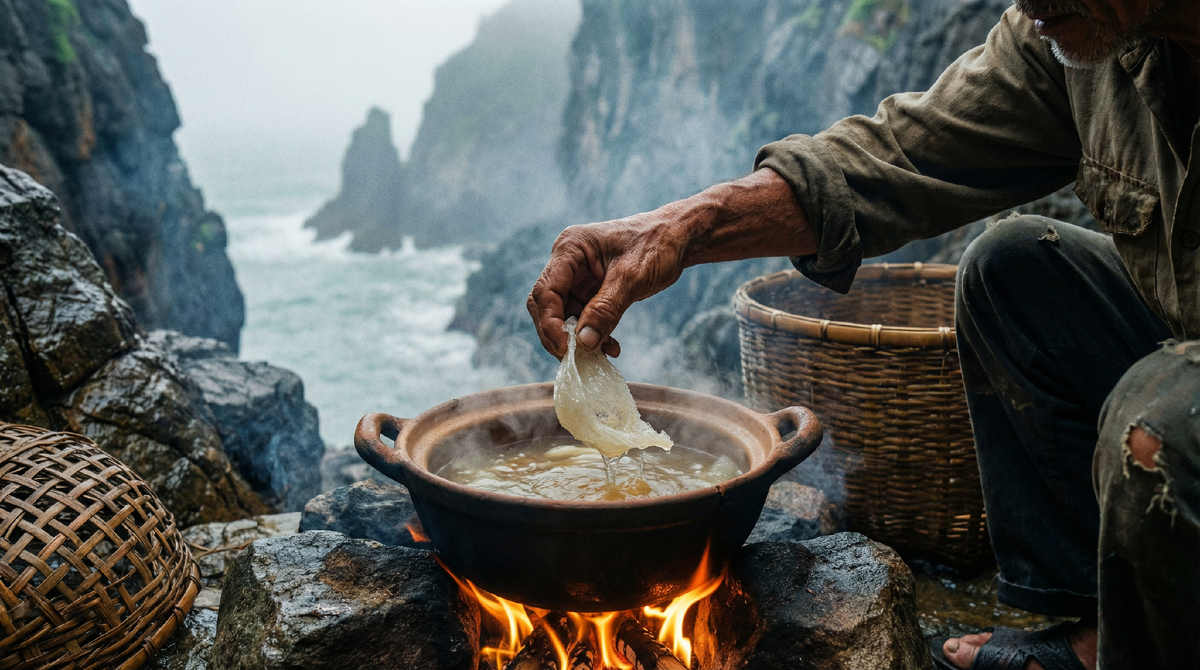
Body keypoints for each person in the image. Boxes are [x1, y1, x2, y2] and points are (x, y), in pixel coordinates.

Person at [527, 0, 1200, 668]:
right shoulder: (1082, 42)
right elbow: (901, 155)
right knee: (1015, 266)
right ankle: (1099, 630)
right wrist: (676, 229)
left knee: (1160, 418)